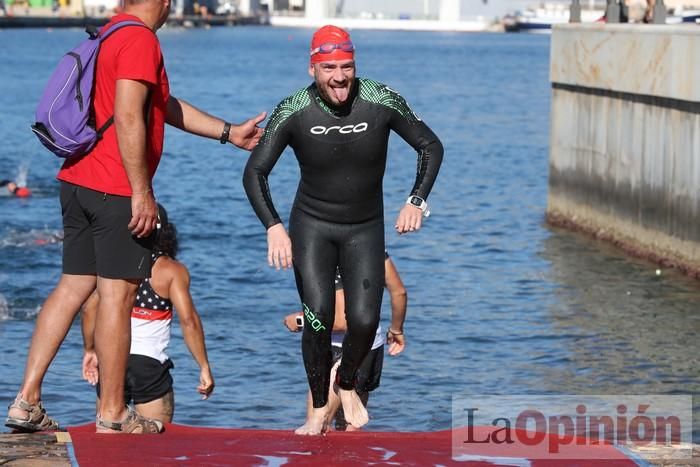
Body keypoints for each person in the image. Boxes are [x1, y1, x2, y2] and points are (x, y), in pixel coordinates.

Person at [6, 0, 264, 435]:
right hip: (114, 186)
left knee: (72, 286)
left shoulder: (111, 31)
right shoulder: (141, 39)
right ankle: (112, 412)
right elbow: (128, 115)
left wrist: (227, 131)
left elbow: (159, 103)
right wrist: (140, 192)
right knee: (117, 296)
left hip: (77, 177)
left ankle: (26, 400)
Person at [243, 25, 443, 435]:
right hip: (312, 226)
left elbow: (430, 145)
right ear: (313, 67)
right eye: (329, 67)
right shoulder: (294, 109)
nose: (339, 76)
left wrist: (417, 199)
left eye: (347, 66)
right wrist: (274, 227)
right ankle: (319, 406)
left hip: (365, 227)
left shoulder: (379, 99)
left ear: (356, 66)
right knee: (317, 318)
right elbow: (255, 172)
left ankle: (346, 383)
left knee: (365, 321)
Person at [81, 205, 214, 423]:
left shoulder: (111, 265)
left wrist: (90, 350)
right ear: (164, 230)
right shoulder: (170, 271)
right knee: (156, 447)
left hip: (111, 362)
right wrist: (204, 367)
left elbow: (89, 309)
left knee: (107, 443)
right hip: (149, 367)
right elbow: (189, 322)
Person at [283, 252, 407, 431]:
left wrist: (302, 321)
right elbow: (399, 292)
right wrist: (396, 329)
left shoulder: (330, 254)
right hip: (371, 346)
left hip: (340, 349)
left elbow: (342, 322)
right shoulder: (375, 247)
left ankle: (322, 459)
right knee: (350, 428)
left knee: (318, 425)